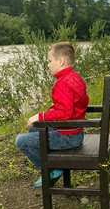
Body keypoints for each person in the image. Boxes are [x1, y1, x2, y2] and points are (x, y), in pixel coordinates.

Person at [16, 42, 89, 188]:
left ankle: (50, 169)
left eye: (50, 61)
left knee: (21, 140)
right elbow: (73, 106)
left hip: (67, 137)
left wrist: (40, 116)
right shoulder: (75, 77)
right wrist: (49, 113)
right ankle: (56, 165)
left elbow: (64, 113)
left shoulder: (62, 83)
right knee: (34, 130)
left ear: (61, 61)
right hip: (75, 131)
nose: (48, 65)